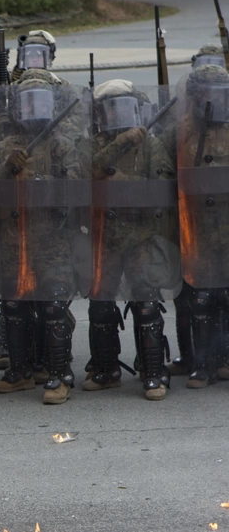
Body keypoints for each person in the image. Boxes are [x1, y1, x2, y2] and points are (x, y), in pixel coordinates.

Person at [0, 69, 91, 404]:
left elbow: (78, 184)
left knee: (53, 305)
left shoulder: (63, 144)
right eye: (28, 104)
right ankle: (20, 370)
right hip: (15, 238)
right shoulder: (5, 146)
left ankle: (59, 374)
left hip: (53, 237)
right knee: (15, 305)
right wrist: (8, 166)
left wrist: (54, 177)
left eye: (41, 103)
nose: (35, 110)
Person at [85, 79, 178, 400]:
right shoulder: (95, 144)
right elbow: (86, 172)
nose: (117, 115)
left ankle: (154, 372)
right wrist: (118, 143)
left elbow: (163, 186)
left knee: (146, 303)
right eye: (110, 109)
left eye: (124, 108)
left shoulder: (151, 145)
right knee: (100, 305)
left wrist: (127, 182)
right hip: (105, 237)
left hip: (141, 236)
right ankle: (106, 368)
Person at [176, 64, 229, 389]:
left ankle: (225, 359)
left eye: (220, 93)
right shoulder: (183, 130)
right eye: (207, 92)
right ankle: (204, 364)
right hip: (199, 227)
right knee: (202, 297)